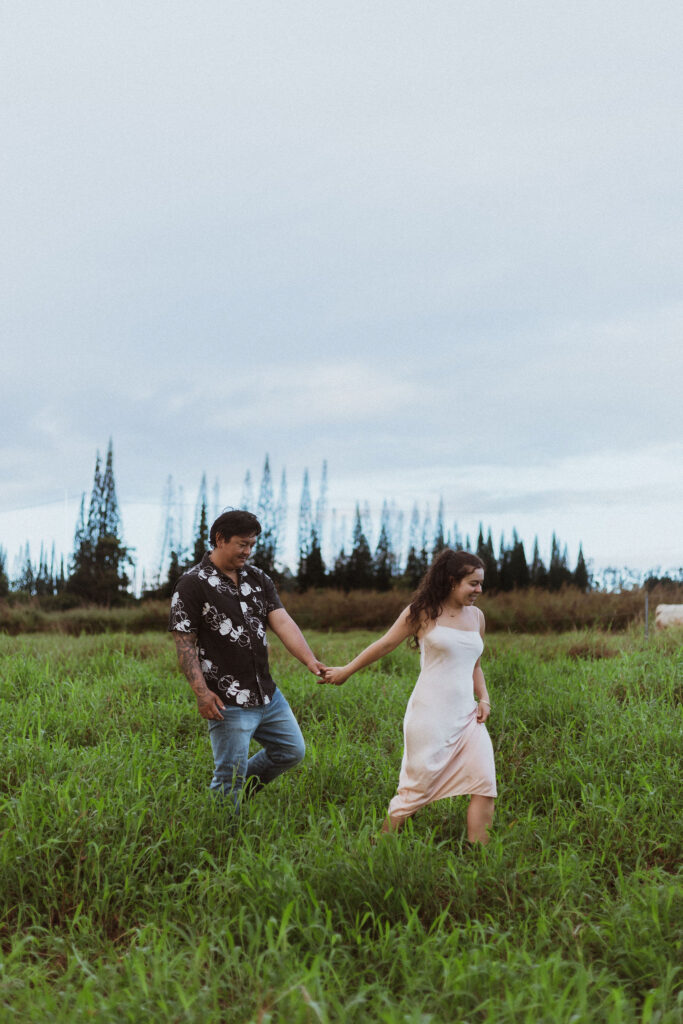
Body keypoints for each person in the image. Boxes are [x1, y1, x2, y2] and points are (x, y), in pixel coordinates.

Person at [323, 550, 496, 843]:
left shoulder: (477, 617)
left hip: (467, 716)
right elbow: (384, 644)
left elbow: (475, 665)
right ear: (452, 581)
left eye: (481, 583)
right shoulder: (423, 611)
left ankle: (479, 859)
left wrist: (485, 698)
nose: (479, 590)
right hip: (429, 716)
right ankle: (380, 846)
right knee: (416, 790)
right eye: (473, 583)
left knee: (484, 784)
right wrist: (346, 670)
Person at [169, 509, 326, 809]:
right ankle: (221, 835)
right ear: (220, 539)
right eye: (242, 544)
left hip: (266, 693)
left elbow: (282, 623)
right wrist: (202, 694)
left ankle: (237, 793)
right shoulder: (192, 583)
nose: (248, 551)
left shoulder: (258, 579)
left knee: (291, 750)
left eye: (252, 544)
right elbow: (184, 645)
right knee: (228, 775)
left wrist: (310, 660)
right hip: (226, 698)